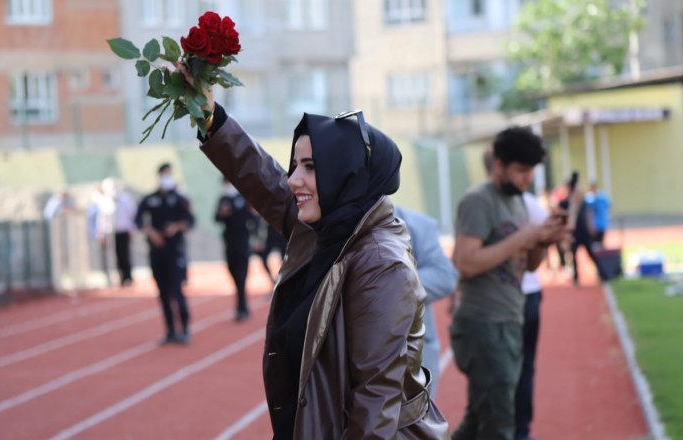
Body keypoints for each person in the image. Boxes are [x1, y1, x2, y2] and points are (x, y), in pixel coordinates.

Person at [193, 83, 447, 436]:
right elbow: (265, 180)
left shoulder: (380, 263)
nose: (294, 178)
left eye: (310, 167)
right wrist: (211, 119)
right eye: (295, 164)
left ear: (346, 173)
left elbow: (375, 400)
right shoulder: (329, 224)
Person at [451, 127, 565, 440]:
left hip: (509, 321)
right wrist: (524, 236)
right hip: (484, 325)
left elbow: (528, 265)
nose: (527, 179)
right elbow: (466, 263)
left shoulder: (517, 201)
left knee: (477, 421)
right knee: (500, 426)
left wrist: (543, 241)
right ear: (499, 164)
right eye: (521, 171)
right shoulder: (477, 201)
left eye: (531, 172)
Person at [395, 206, 459, 397]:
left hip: (413, 355)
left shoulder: (418, 225)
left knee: (415, 423)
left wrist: (386, 286)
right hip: (349, 358)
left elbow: (445, 277)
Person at [135, 163, 195, 345]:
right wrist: (150, 232)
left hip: (175, 251)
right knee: (162, 293)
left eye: (169, 174)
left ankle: (184, 329)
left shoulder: (179, 199)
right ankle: (170, 330)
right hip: (156, 251)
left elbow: (190, 221)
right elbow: (138, 219)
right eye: (163, 174)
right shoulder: (150, 199)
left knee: (177, 291)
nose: (166, 178)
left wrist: (176, 227)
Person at [516, 189, 549, 440]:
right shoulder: (481, 202)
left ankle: (521, 431)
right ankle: (520, 431)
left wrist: (543, 240)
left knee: (521, 368)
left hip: (524, 294)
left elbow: (534, 262)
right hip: (514, 297)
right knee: (519, 369)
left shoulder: (528, 203)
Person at [214, 176, 256, 321]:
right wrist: (222, 213)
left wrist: (255, 237)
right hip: (229, 243)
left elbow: (253, 218)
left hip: (242, 243)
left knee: (242, 275)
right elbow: (216, 219)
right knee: (232, 271)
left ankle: (242, 307)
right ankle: (241, 304)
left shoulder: (243, 198)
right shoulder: (223, 199)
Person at [105, 178, 137, 286]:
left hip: (123, 231)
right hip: (111, 232)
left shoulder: (126, 200)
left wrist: (132, 230)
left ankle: (127, 277)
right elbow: (101, 219)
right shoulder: (105, 202)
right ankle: (115, 277)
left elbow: (131, 216)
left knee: (124, 255)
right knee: (113, 256)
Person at [252, 213, 287, 285]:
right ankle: (274, 280)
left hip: (281, 236)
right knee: (262, 255)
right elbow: (260, 225)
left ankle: (283, 277)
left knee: (286, 258)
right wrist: (260, 241)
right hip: (269, 238)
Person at [585, 182, 611, 246]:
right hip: (602, 224)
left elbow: (589, 213)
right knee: (600, 244)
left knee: (595, 245)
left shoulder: (590, 199)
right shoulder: (602, 197)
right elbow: (608, 207)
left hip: (595, 225)